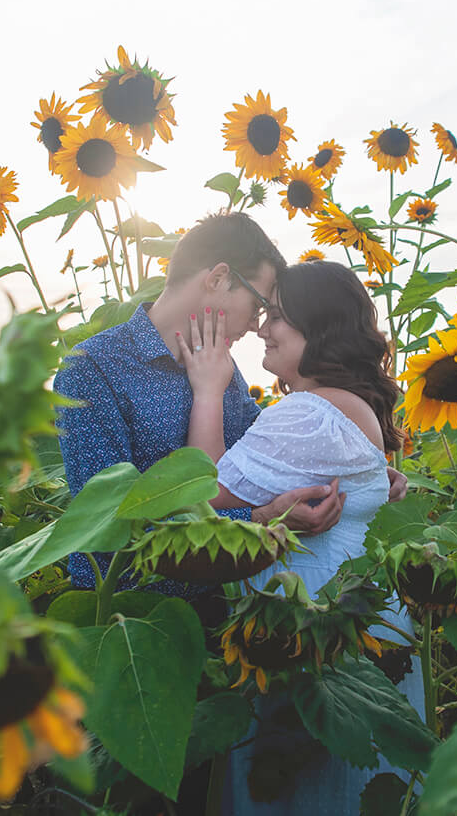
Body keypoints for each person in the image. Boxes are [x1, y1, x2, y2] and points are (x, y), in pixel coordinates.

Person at [176, 259, 423, 815]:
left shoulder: (312, 411)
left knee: (300, 792)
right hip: (344, 622)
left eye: (279, 316)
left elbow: (205, 490)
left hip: (309, 633)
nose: (263, 328)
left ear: (321, 329)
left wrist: (209, 388)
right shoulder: (336, 407)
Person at [53, 212, 370, 610]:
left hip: (225, 608)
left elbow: (270, 454)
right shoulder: (93, 369)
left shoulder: (220, 366)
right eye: (258, 305)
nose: (257, 327)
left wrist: (357, 469)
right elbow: (105, 529)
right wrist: (259, 521)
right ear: (219, 279)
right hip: (131, 610)